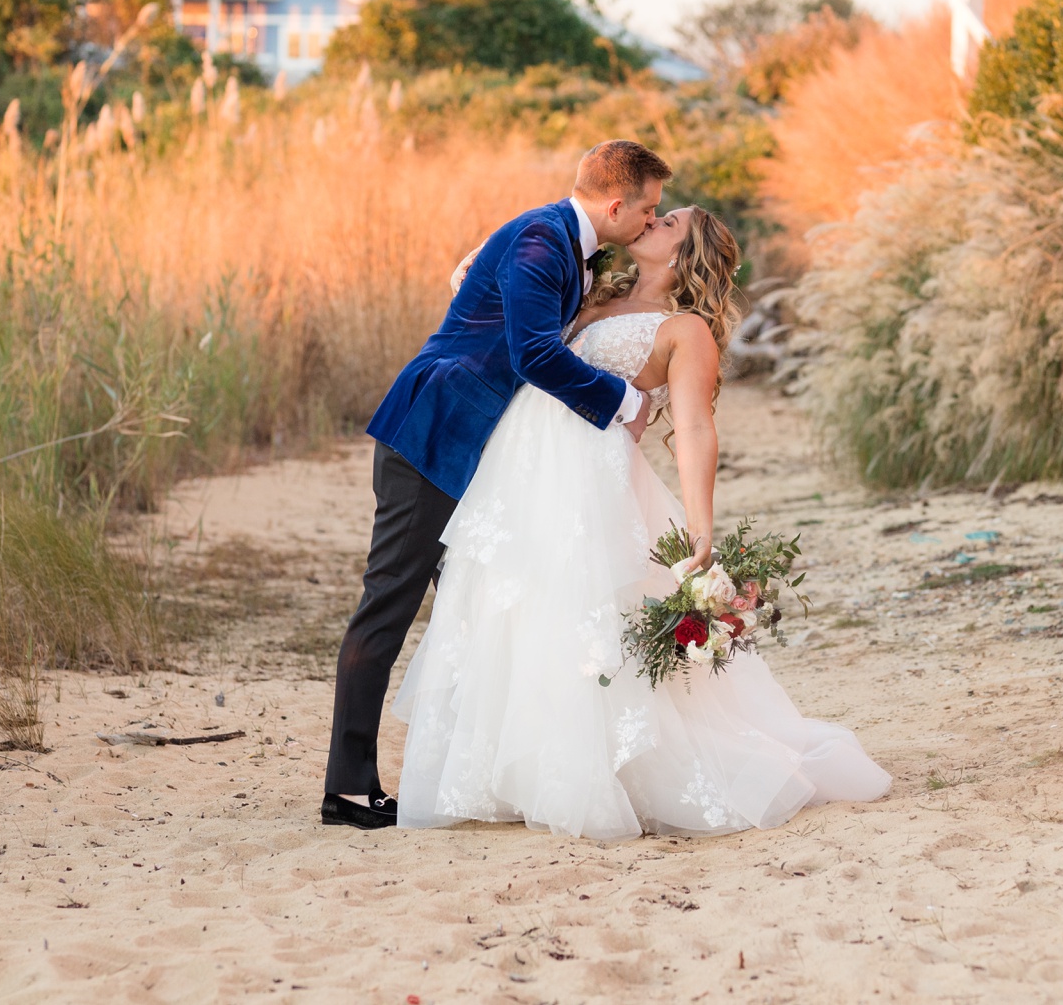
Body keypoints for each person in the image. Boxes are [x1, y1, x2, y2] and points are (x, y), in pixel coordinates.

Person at [391, 203, 890, 839]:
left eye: (670, 221)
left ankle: (590, 775)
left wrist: (702, 535)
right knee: (516, 609)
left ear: (688, 254)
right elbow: (519, 326)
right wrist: (477, 268)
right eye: (655, 212)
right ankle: (514, 772)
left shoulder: (685, 331)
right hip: (521, 470)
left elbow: (695, 430)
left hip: (592, 486)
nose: (653, 221)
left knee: (586, 620)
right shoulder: (591, 294)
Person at [322, 140, 669, 829]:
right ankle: (346, 787)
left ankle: (461, 779)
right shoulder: (545, 238)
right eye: (649, 208)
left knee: (470, 611)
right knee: (388, 602)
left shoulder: (561, 242)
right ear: (615, 204)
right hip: (431, 433)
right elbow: (532, 352)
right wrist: (625, 403)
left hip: (474, 451)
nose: (651, 221)